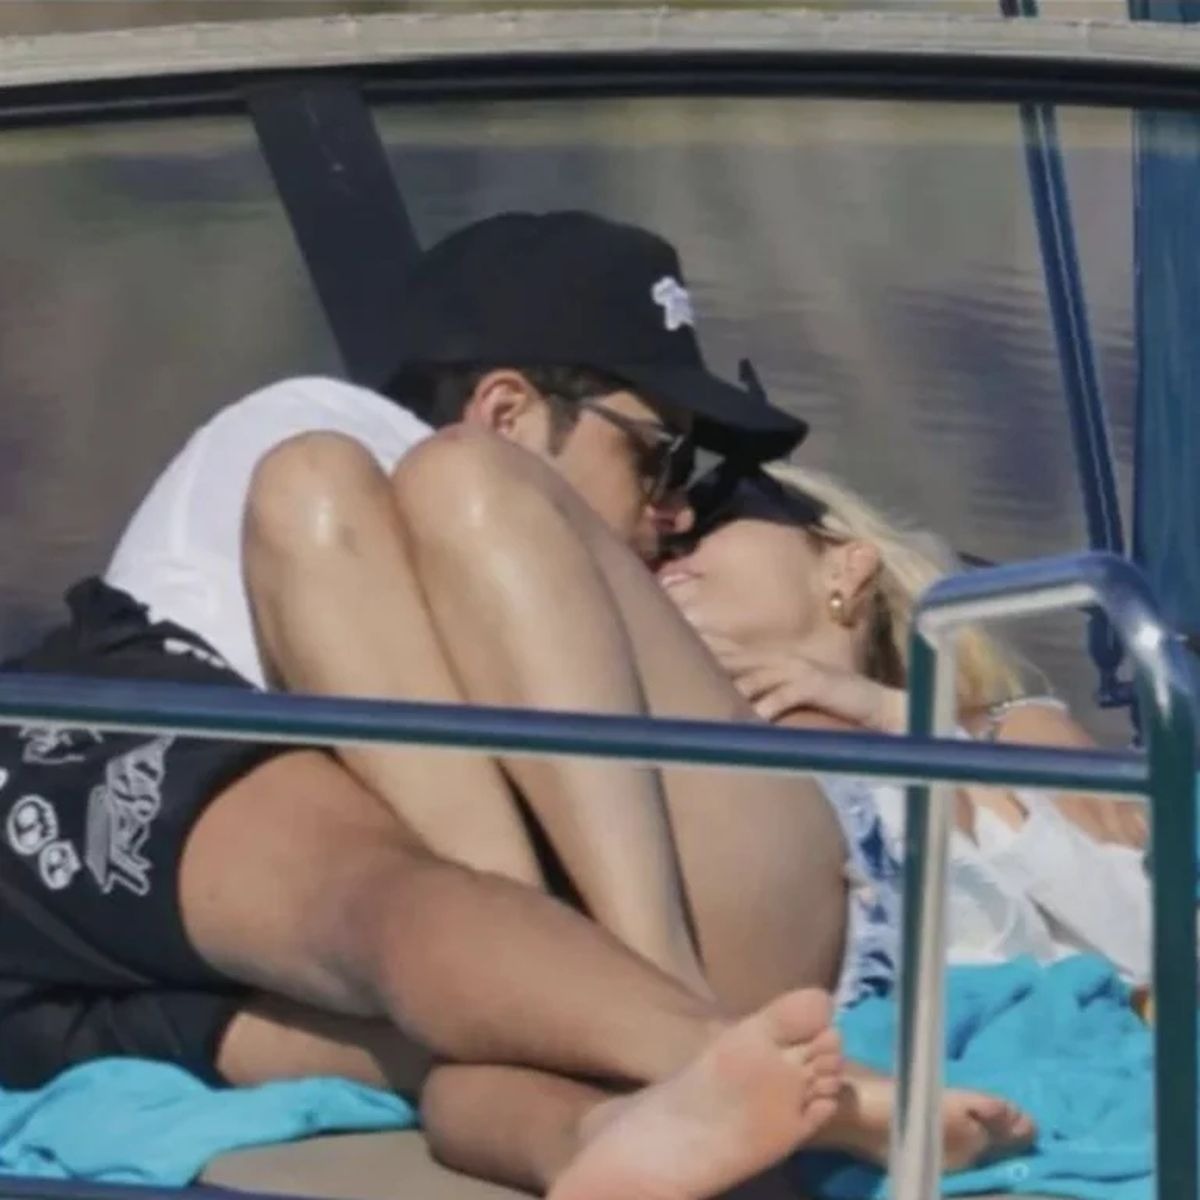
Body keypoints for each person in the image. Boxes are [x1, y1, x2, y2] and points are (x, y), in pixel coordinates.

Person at [0, 211, 1030, 1199]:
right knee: (414, 485)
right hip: (610, 956)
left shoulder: (341, 488)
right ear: (506, 410)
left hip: (729, 925)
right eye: (661, 457)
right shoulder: (351, 452)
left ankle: (657, 1033)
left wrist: (948, 708)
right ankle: (630, 1068)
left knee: (397, 494)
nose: (677, 512)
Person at [659, 458, 1154, 981]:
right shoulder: (639, 739)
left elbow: (1153, 939)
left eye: (715, 510)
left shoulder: (1004, 731)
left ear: (846, 567)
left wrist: (909, 723)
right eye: (656, 543)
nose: (677, 531)